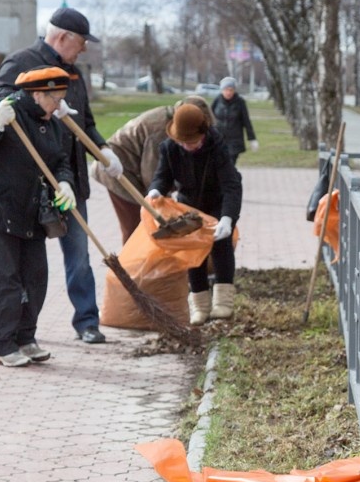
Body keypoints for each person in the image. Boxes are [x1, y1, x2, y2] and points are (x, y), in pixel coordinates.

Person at [0, 7, 122, 345]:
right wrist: (36, 107)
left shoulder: (74, 75)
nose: (84, 50)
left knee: (78, 252)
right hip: (32, 183)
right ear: (63, 37)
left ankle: (87, 321)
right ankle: (21, 333)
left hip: (69, 179)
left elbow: (86, 122)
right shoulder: (21, 62)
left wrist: (104, 151)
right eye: (81, 43)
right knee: (28, 266)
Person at [0, 67, 76, 367]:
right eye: (55, 98)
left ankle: (26, 338)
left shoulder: (50, 123)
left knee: (36, 277)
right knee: (6, 277)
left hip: (30, 211)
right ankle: (2, 345)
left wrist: (65, 182)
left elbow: (61, 160)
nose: (58, 105)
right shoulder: (6, 108)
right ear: (38, 93)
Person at [147, 104, 243, 325]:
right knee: (193, 252)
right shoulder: (170, 148)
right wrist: (155, 190)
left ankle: (223, 303)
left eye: (192, 142)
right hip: (189, 205)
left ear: (203, 134)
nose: (187, 146)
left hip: (217, 201)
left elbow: (231, 185)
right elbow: (163, 176)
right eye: (183, 142)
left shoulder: (217, 146)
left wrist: (227, 218)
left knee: (221, 245)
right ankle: (199, 304)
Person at [92, 95, 213, 244]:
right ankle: (131, 265)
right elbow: (152, 175)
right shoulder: (160, 132)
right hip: (118, 169)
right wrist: (167, 205)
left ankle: (150, 264)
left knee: (148, 226)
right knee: (136, 227)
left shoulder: (178, 124)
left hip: (135, 169)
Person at [211, 77, 257, 167]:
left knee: (230, 164)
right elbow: (209, 119)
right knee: (218, 164)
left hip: (234, 141)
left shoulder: (240, 102)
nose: (228, 92)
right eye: (226, 90)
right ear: (222, 90)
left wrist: (252, 139)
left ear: (234, 90)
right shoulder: (217, 101)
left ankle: (230, 180)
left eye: (231, 90)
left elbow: (246, 121)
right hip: (219, 139)